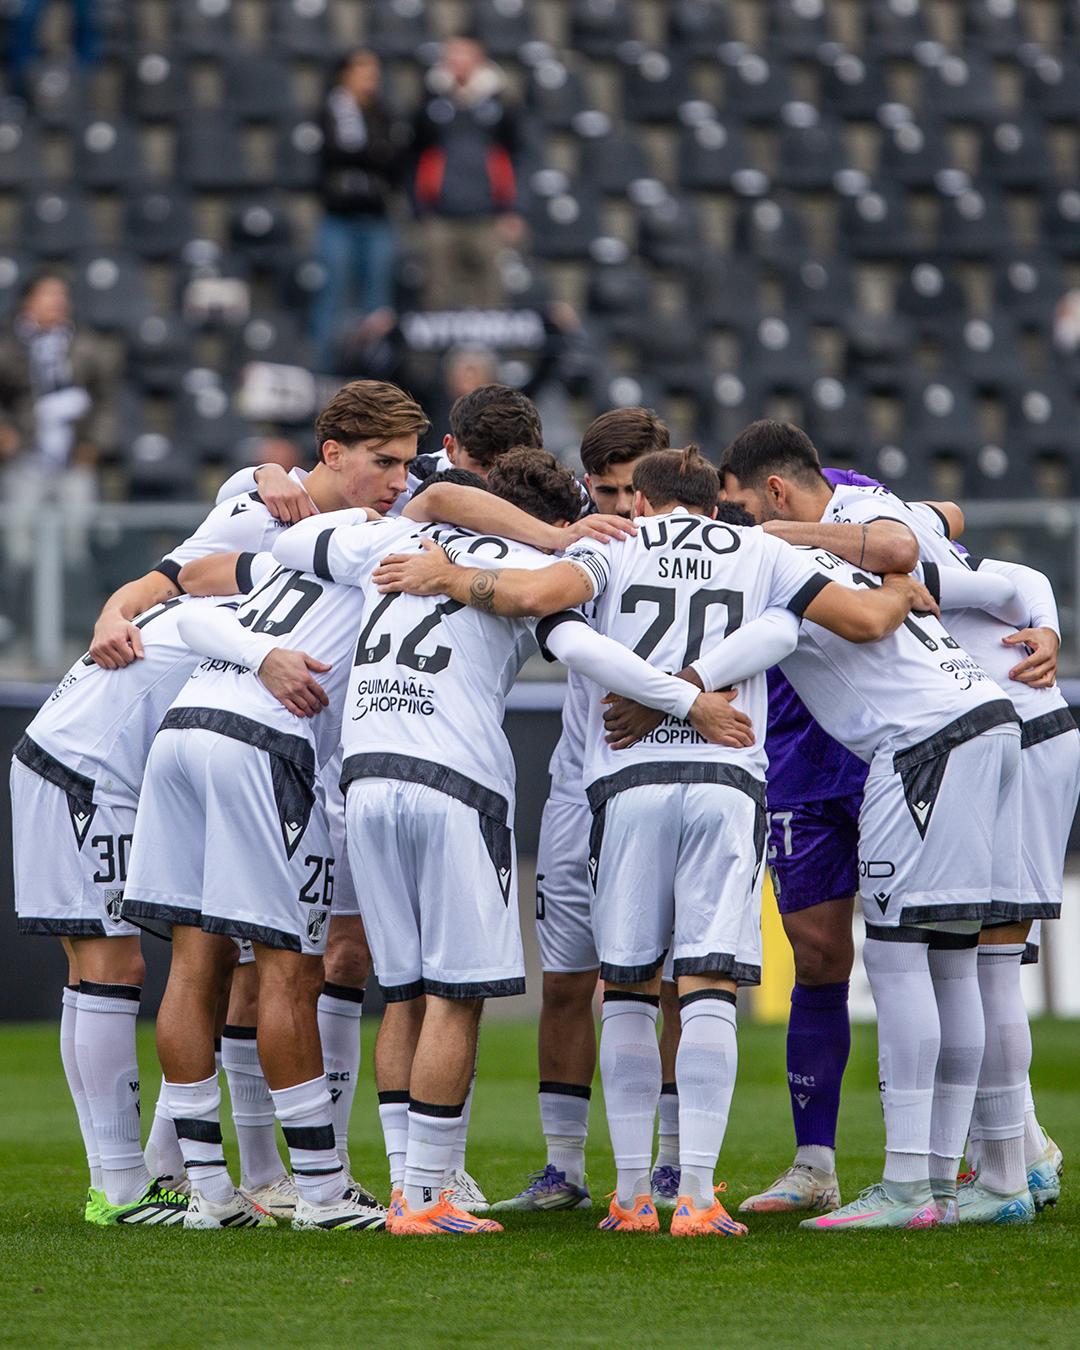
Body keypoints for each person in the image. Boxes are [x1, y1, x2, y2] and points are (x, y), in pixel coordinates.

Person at [372, 446, 931, 1236]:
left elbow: (552, 622)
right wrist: (904, 587)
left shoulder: (615, 546)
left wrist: (455, 580)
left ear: (646, 503)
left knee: (627, 988)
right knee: (706, 985)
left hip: (626, 783)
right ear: (715, 505)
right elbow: (865, 621)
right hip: (725, 779)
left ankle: (631, 1194)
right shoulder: (764, 550)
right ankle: (697, 1198)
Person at [268, 451, 742, 1236]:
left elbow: (288, 544)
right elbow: (581, 645)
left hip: (365, 773)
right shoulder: (546, 556)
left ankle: (404, 1190)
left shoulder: (388, 540)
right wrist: (684, 698)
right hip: (455, 780)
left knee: (404, 990)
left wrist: (270, 478)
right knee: (456, 994)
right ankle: (424, 1199)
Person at [85, 380, 431, 1221]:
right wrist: (270, 656)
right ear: (335, 457)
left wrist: (253, 642)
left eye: (406, 468)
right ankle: (317, 1191)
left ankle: (208, 1192)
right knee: (289, 970)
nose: (396, 482)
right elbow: (180, 586)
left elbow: (197, 598)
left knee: (197, 961)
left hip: (183, 732)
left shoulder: (294, 537)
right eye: (384, 464)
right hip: (258, 746)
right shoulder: (385, 543)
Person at [722, 420, 1074, 1226]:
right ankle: (998, 1175)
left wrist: (684, 688)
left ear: (774, 496)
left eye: (734, 510)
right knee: (970, 964)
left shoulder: (803, 551)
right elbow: (955, 541)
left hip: (946, 739)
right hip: (1003, 723)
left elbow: (869, 589)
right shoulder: (870, 537)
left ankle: (924, 1182)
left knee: (908, 959)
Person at [493, 406, 688, 1215]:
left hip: (671, 776)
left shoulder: (710, 550)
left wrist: (660, 703)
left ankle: (673, 1161)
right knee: (569, 980)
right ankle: (564, 1167)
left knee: (676, 983)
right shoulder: (577, 546)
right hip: (579, 785)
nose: (619, 507)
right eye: (604, 490)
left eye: (632, 490)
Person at [0, 272, 112, 572]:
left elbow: (105, 398)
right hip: (26, 456)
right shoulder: (9, 343)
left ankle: (70, 613)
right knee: (19, 547)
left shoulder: (83, 343)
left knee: (74, 546)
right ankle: (22, 612)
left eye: (61, 295)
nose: (57, 302)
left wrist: (93, 442)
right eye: (48, 294)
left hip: (74, 458)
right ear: (28, 301)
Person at [412, 36, 523, 310]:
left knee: (491, 297)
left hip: (488, 216)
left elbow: (518, 158)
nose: (458, 60)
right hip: (440, 216)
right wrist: (419, 208)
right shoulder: (430, 105)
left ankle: (490, 354)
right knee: (436, 297)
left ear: (479, 58)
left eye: (464, 54)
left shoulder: (500, 106)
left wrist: (513, 209)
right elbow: (413, 158)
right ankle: (437, 354)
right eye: (452, 54)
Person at [312, 49, 406, 370]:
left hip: (376, 216)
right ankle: (326, 371)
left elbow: (393, 159)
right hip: (339, 217)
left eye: (374, 72)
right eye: (364, 71)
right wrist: (372, 154)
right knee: (333, 296)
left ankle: (378, 374)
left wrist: (367, 154)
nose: (371, 79)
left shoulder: (382, 113)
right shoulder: (329, 111)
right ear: (345, 74)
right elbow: (333, 155)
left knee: (378, 303)